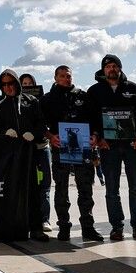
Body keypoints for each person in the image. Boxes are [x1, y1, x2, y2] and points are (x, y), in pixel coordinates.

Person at [87, 54, 136, 242]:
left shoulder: (133, 88)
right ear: (103, 70)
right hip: (108, 147)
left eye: (115, 66)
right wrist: (98, 137)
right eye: (108, 66)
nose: (112, 69)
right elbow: (91, 117)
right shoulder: (95, 91)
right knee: (112, 190)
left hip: (133, 145)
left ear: (120, 68)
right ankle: (117, 227)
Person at [0, 68, 49, 241]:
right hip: (6, 156)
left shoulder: (31, 101)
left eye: (11, 83)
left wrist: (34, 134)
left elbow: (41, 123)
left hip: (29, 153)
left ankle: (36, 227)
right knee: (7, 192)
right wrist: (3, 131)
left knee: (33, 190)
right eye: (4, 84)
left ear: (17, 83)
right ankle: (8, 228)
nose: (8, 87)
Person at [41, 66, 102, 242]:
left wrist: (95, 136)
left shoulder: (83, 96)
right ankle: (64, 227)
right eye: (62, 76)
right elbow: (40, 124)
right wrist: (50, 136)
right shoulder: (47, 99)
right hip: (60, 148)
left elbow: (95, 119)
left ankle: (88, 227)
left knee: (85, 189)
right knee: (61, 190)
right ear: (55, 77)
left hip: (83, 149)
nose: (66, 79)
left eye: (68, 76)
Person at [19, 73, 53, 233]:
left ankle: (45, 219)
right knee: (28, 186)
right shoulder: (17, 103)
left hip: (41, 147)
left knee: (45, 185)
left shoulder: (42, 101)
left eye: (29, 83)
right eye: (23, 83)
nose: (26, 86)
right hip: (26, 150)